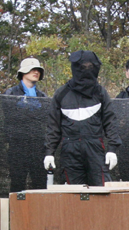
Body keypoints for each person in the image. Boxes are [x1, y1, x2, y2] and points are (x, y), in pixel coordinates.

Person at [43, 50, 123, 186]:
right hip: (70, 150)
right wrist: (49, 152)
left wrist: (112, 149)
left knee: (102, 192)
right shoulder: (62, 94)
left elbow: (110, 122)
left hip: (95, 147)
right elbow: (53, 125)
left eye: (90, 66)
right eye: (83, 66)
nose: (86, 70)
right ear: (75, 67)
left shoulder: (100, 93)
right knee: (73, 196)